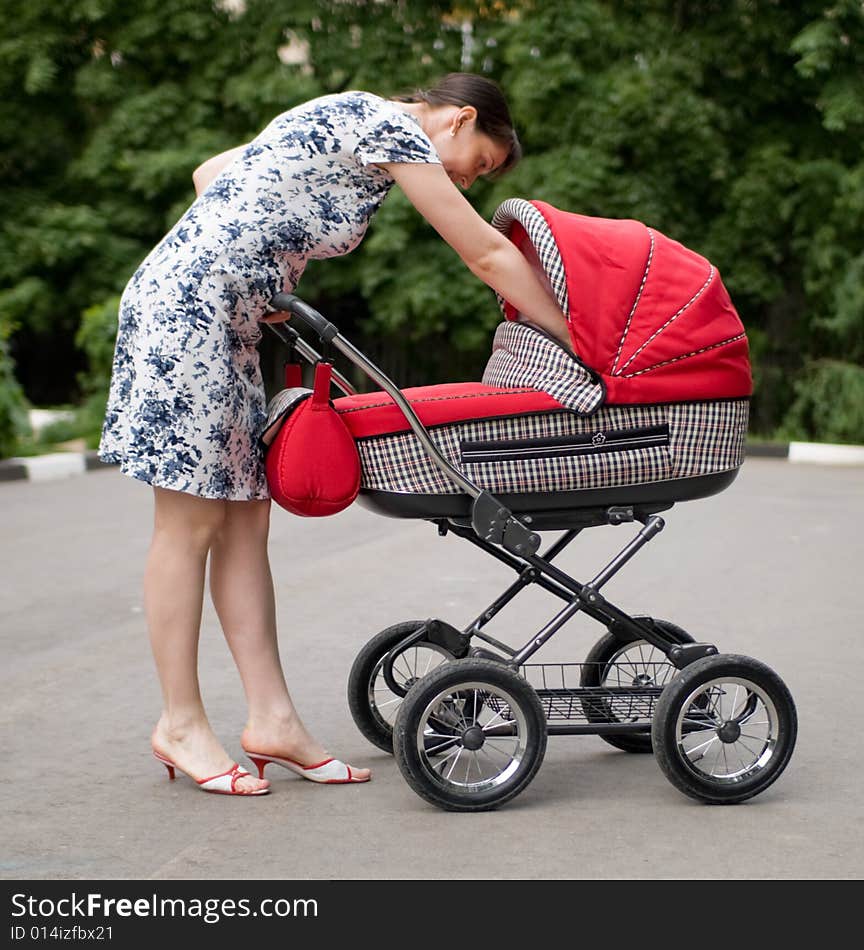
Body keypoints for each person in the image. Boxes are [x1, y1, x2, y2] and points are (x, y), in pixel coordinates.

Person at [99, 72, 572, 796]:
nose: (463, 181)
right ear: (460, 120)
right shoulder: (392, 128)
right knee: (189, 525)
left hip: (220, 315)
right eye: (475, 164)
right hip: (187, 318)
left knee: (245, 524)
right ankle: (181, 723)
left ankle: (274, 720)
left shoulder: (341, 119)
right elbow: (485, 253)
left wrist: (251, 271)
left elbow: (213, 175)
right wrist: (576, 335)